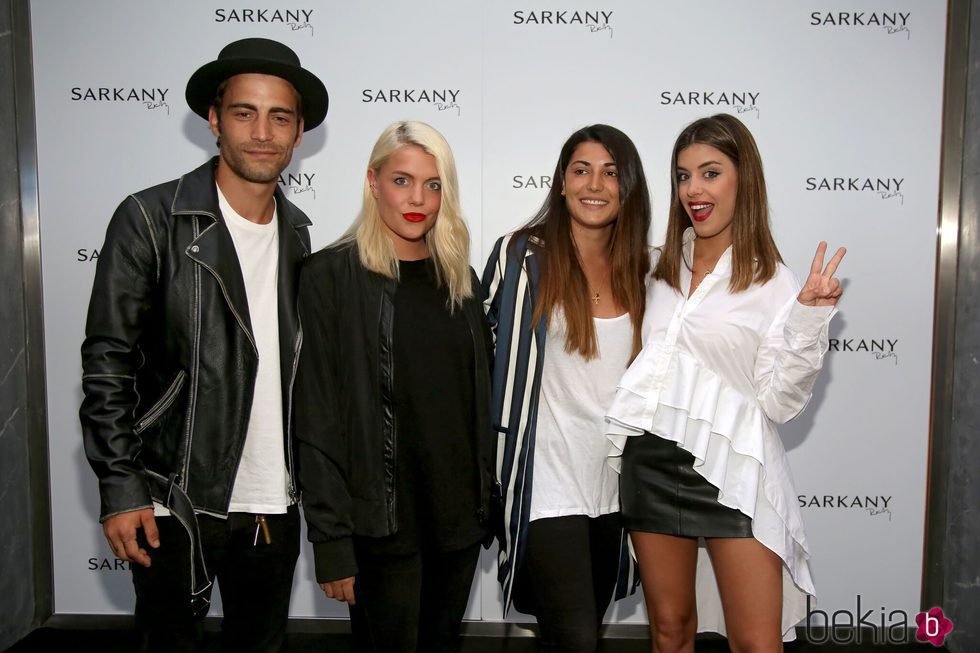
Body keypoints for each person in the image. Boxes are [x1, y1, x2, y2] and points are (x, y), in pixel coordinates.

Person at [79, 38, 328, 652]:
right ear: (214, 120)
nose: (263, 132)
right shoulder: (149, 218)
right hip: (172, 499)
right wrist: (120, 486)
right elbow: (108, 363)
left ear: (298, 133)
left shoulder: (300, 237)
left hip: (273, 503)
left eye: (280, 117)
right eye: (245, 112)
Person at [606, 113, 846, 652]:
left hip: (733, 475)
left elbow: (781, 402)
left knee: (756, 642)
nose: (694, 189)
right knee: (669, 631)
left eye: (710, 173)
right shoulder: (657, 269)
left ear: (744, 179)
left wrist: (809, 317)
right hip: (651, 461)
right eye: (683, 176)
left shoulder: (771, 279)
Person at [295, 121, 494, 652]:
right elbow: (315, 417)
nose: (418, 199)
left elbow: (474, 404)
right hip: (380, 527)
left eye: (433, 185)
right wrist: (332, 540)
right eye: (402, 180)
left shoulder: (462, 282)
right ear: (372, 181)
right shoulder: (329, 277)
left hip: (457, 524)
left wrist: (485, 501)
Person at [483, 124, 650, 651]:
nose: (594, 184)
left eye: (610, 172)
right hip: (544, 487)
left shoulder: (645, 270)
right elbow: (475, 357)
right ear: (560, 182)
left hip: (615, 489)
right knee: (577, 640)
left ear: (628, 187)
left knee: (584, 633)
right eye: (581, 170)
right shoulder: (521, 257)